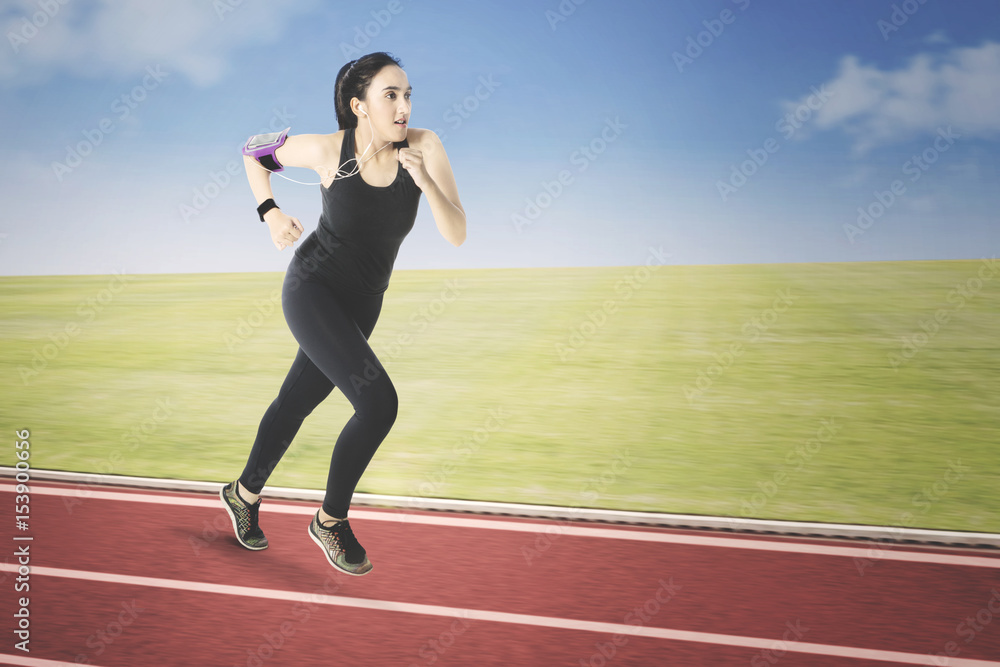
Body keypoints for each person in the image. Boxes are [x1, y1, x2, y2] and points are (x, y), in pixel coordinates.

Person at [220, 52, 466, 576]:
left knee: (295, 402)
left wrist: (425, 183)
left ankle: (242, 494)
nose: (403, 107)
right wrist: (270, 213)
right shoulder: (331, 150)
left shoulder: (426, 146)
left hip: (363, 303)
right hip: (312, 288)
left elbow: (457, 232)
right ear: (360, 106)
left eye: (407, 95)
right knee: (379, 405)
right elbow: (252, 151)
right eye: (390, 95)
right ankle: (329, 521)